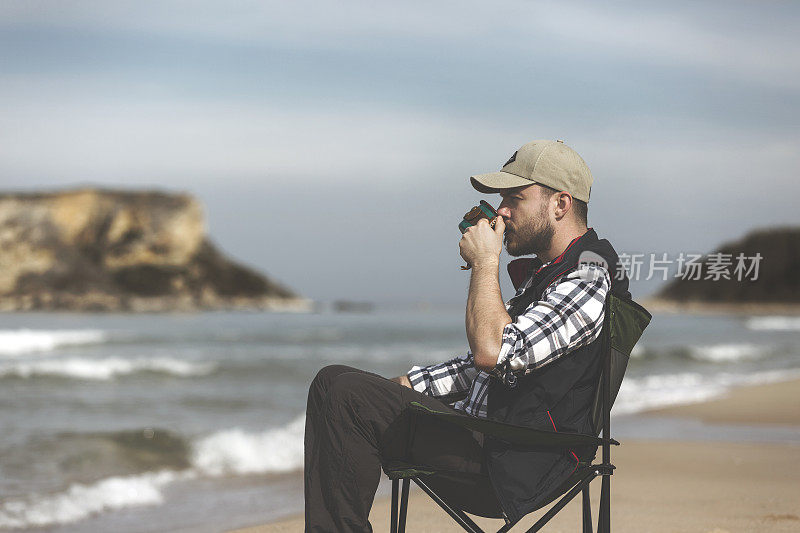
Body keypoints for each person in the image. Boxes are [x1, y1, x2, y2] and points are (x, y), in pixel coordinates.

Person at [304, 140, 631, 532]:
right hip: (491, 442)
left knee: (348, 397)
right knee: (332, 382)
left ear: (560, 204)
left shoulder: (588, 276)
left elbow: (494, 353)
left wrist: (485, 261)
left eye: (515, 198)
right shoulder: (550, 276)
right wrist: (408, 385)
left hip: (516, 461)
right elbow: (493, 365)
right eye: (500, 199)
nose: (502, 211)